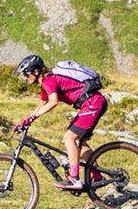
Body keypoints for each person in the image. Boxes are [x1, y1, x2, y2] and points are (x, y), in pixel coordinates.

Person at [14, 53, 108, 191]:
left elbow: (53, 102)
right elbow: (41, 105)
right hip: (92, 104)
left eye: (26, 74)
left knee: (69, 138)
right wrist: (25, 121)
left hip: (93, 103)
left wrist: (34, 117)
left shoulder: (49, 80)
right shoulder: (45, 84)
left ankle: (74, 179)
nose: (25, 78)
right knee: (80, 144)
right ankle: (97, 176)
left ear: (35, 71)